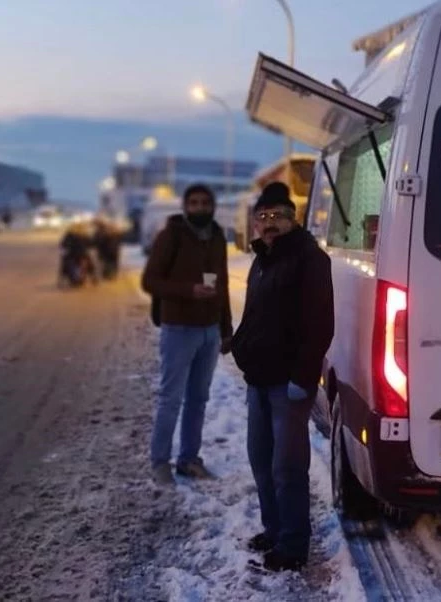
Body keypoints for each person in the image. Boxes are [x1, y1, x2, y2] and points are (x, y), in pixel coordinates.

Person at [231, 182, 334, 572]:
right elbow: (254, 314)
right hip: (258, 379)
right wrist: (240, 343)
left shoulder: (309, 259)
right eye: (263, 217)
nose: (269, 224)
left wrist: (303, 377)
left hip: (288, 384)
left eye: (277, 216)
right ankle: (274, 529)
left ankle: (292, 545)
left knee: (287, 467)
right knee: (261, 460)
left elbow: (320, 324)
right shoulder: (263, 258)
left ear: (293, 219)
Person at [141, 183, 233, 485]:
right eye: (193, 203)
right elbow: (150, 281)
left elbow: (223, 286)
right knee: (171, 398)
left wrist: (225, 328)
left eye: (205, 203)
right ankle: (160, 462)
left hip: (208, 330)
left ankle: (189, 459)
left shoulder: (218, 236)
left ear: (213, 205)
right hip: (178, 328)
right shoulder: (172, 235)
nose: (200, 208)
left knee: (198, 399)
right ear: (185, 206)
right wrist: (188, 291)